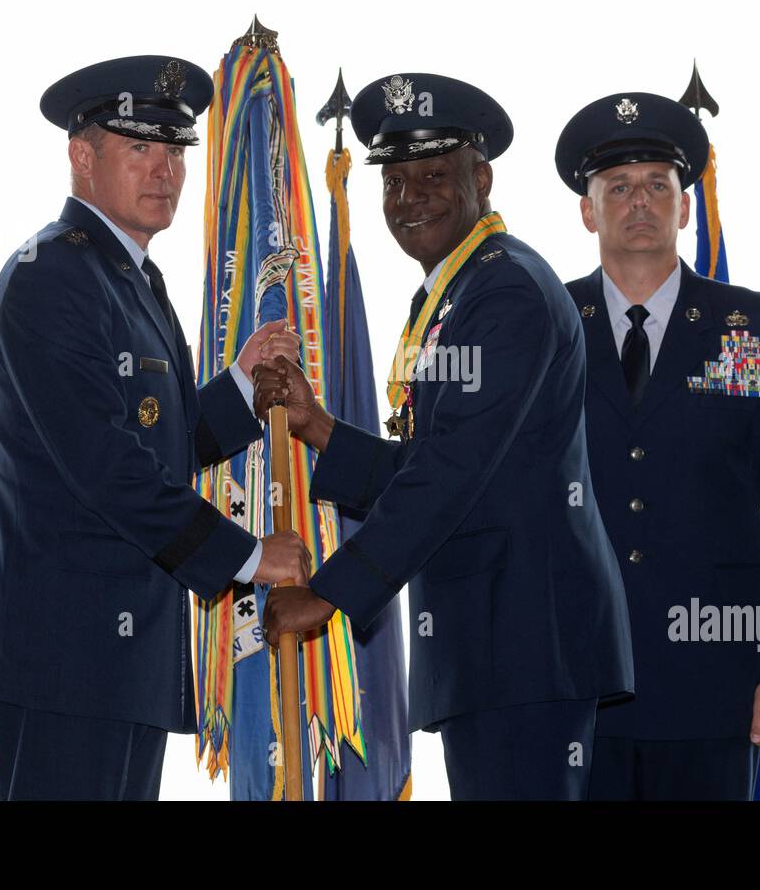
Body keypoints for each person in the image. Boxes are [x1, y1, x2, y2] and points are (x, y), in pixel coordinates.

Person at [257, 73, 633, 800]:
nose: (411, 198)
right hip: (496, 648)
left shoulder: (507, 291)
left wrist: (330, 596)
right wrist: (320, 428)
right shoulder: (457, 292)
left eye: (433, 175)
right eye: (394, 182)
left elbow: (452, 472)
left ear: (481, 177)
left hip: (526, 649)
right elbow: (443, 462)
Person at [0, 56, 308, 800]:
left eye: (175, 150)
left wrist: (240, 387)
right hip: (61, 659)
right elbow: (108, 470)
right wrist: (248, 557)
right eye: (140, 147)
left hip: (122, 658)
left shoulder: (132, 279)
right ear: (81, 156)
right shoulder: (48, 277)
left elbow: (159, 442)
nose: (165, 170)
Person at [554, 92, 760, 799]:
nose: (638, 201)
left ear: (685, 206)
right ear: (588, 209)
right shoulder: (542, 327)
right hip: (574, 689)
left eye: (657, 184)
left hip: (716, 687)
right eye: (617, 187)